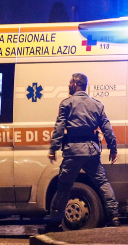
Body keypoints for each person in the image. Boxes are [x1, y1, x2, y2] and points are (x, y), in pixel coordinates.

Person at [44, 73, 120, 232]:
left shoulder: (67, 104)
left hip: (73, 151)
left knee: (64, 186)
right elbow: (107, 129)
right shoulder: (97, 105)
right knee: (102, 182)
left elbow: (59, 128)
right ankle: (114, 216)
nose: (69, 85)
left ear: (76, 84)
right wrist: (113, 149)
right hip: (92, 151)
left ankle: (55, 221)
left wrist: (53, 149)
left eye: (70, 82)